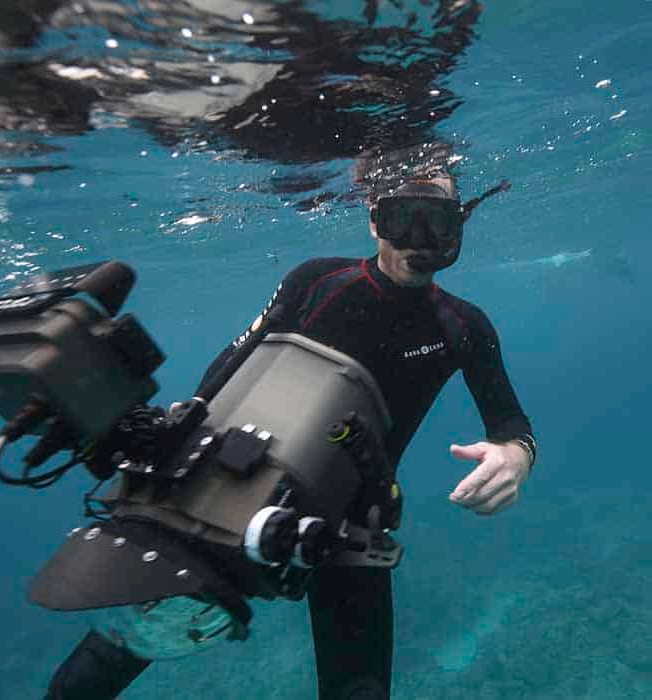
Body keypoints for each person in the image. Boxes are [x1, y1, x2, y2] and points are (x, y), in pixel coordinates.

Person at [44, 169, 535, 700]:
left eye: (437, 222)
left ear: (458, 226)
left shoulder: (464, 325)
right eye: (400, 219)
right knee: (103, 666)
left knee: (360, 691)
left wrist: (515, 458)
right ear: (374, 219)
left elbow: (509, 423)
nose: (417, 241)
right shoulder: (317, 281)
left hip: (351, 519)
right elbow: (227, 371)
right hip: (230, 488)